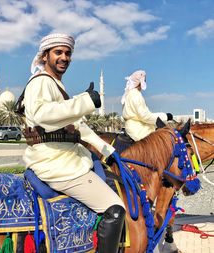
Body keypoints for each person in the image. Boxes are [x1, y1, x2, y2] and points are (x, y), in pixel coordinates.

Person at [21, 33, 125, 253]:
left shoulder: (56, 85)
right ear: (45, 56)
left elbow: (79, 127)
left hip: (65, 158)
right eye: (58, 52)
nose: (64, 57)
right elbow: (41, 114)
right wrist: (85, 100)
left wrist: (108, 150)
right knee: (115, 209)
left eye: (68, 53)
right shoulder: (40, 82)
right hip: (57, 164)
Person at [121, 70, 173, 141]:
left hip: (132, 127)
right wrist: (166, 116)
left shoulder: (129, 94)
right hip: (138, 130)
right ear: (140, 82)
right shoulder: (136, 95)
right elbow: (145, 116)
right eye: (144, 80)